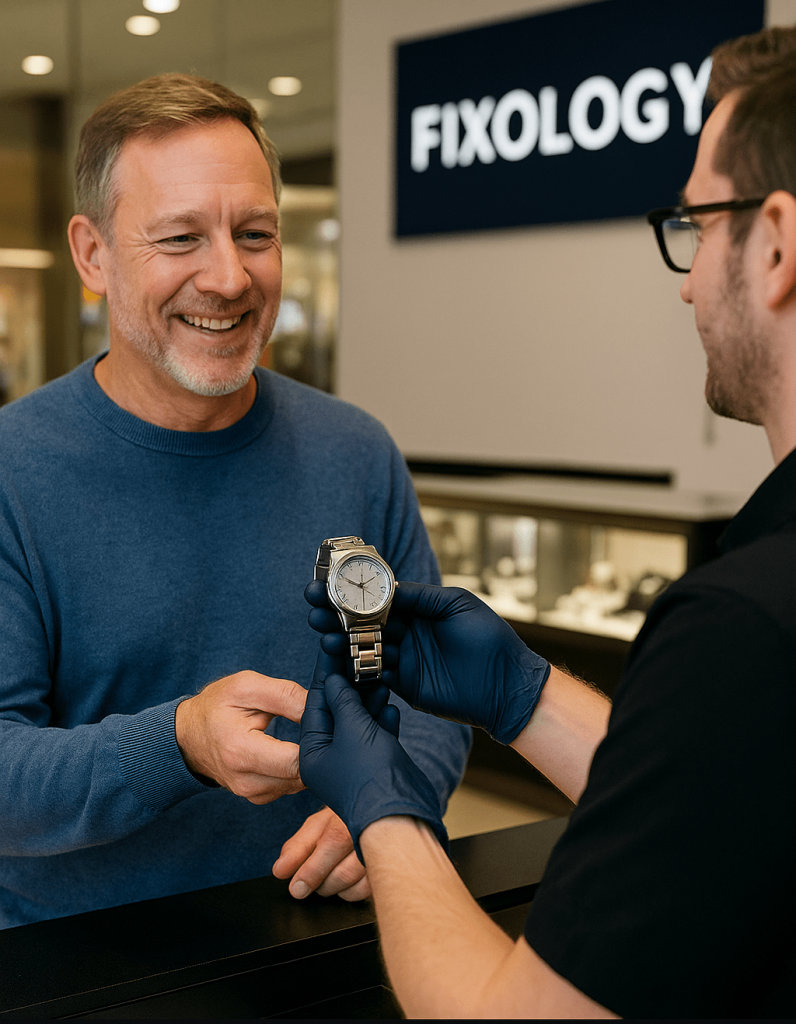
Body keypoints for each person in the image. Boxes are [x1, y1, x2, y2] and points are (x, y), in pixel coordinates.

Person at [299, 25, 796, 1020]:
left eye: (696, 226)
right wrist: (520, 693)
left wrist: (385, 810)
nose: (689, 279)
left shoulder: (745, 630)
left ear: (777, 242)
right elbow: (721, 788)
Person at [0, 73, 470, 929]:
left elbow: (435, 693)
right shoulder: (12, 473)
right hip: (85, 972)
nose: (228, 276)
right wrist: (179, 742)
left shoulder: (355, 450)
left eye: (255, 233)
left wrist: (393, 802)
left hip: (326, 941)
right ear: (92, 253)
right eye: (179, 238)